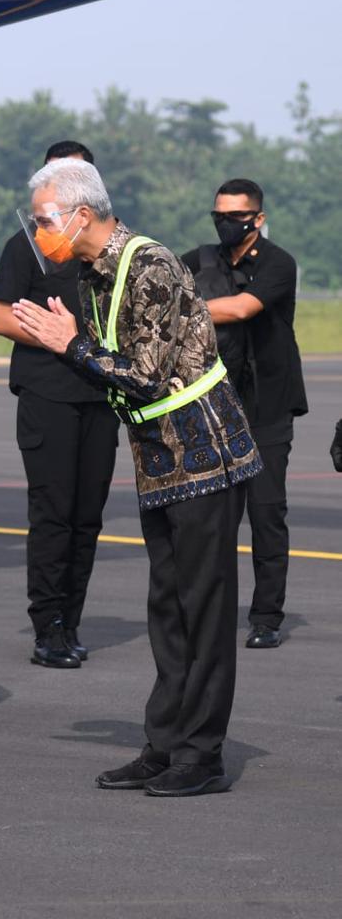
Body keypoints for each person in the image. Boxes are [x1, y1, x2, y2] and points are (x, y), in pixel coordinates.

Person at [13, 159, 262, 797]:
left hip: (205, 454)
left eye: (45, 221)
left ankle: (202, 756)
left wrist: (71, 345)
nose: (40, 234)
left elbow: (147, 374)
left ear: (82, 215)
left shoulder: (146, 265)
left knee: (202, 609)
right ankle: (165, 743)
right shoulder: (94, 272)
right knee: (168, 609)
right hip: (161, 458)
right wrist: (72, 344)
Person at [0, 141, 118, 668]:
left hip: (101, 394)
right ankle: (48, 626)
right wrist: (59, 338)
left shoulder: (111, 252)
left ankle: (73, 618)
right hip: (48, 394)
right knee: (53, 514)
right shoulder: (27, 246)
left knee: (88, 517)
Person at [183, 180, 307, 649]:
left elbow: (241, 308)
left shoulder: (277, 263)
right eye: (219, 214)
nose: (225, 223)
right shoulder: (200, 260)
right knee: (213, 517)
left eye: (235, 216)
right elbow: (162, 285)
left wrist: (184, 311)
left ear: (257, 218)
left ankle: (267, 617)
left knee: (267, 512)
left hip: (268, 406)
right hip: (216, 406)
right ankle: (206, 612)